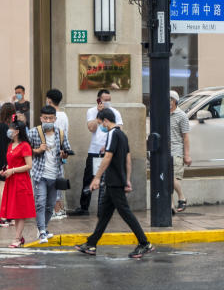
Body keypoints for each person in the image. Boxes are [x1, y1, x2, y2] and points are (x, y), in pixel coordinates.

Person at [74, 109, 154, 259]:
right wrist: (127, 179)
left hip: (114, 181)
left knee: (125, 213)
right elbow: (127, 159)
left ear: (105, 121)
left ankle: (144, 243)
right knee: (104, 215)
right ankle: (91, 243)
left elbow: (108, 157)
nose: (100, 127)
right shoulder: (122, 135)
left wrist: (97, 177)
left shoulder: (111, 134)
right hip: (116, 180)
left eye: (100, 123)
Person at [70, 89, 123, 216]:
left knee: (107, 180)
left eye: (109, 100)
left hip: (110, 151)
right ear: (99, 100)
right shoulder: (92, 111)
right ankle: (84, 207)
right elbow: (91, 128)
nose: (108, 102)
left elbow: (119, 130)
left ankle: (103, 208)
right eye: (105, 100)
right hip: (94, 150)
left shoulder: (115, 112)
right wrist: (99, 113)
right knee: (88, 179)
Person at [29, 105, 73, 243]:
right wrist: (36, 150)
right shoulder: (33, 133)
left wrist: (64, 155)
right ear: (41, 118)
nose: (48, 120)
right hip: (39, 174)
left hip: (55, 175)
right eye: (45, 118)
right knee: (40, 202)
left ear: (55, 119)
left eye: (51, 118)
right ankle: (42, 231)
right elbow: (24, 151)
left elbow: (67, 152)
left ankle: (44, 227)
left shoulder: (60, 134)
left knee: (50, 204)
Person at [0, 117, 36, 247]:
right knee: (15, 211)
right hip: (11, 180)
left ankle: (17, 238)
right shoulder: (10, 145)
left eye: (11, 128)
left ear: (17, 131)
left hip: (21, 181)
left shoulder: (25, 146)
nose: (9, 130)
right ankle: (19, 237)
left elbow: (29, 165)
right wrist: (5, 170)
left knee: (20, 211)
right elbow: (11, 163)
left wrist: (13, 170)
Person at [45, 89, 69, 219]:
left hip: (52, 152)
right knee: (57, 178)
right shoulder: (64, 115)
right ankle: (58, 208)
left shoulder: (52, 116)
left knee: (51, 180)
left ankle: (56, 209)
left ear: (49, 100)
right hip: (61, 152)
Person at [169, 91, 191, 213]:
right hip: (164, 152)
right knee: (166, 180)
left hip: (176, 151)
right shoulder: (162, 114)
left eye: (170, 99)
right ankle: (171, 205)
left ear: (174, 101)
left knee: (172, 178)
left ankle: (182, 197)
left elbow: (186, 137)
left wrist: (186, 155)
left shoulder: (182, 116)